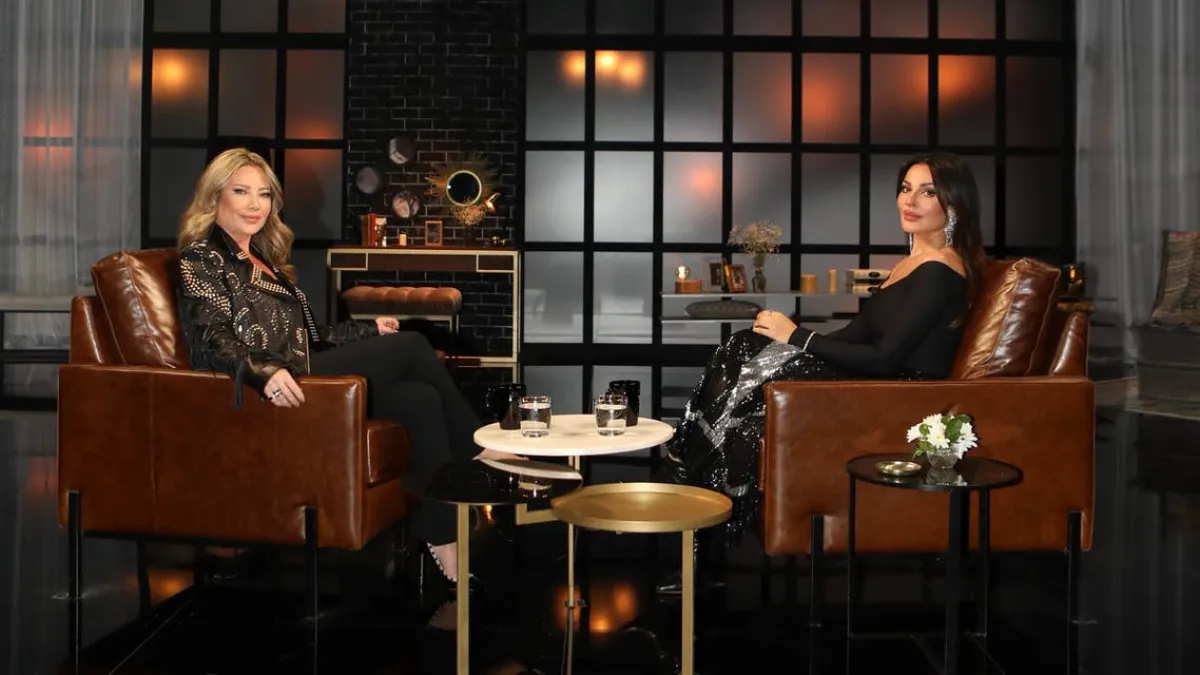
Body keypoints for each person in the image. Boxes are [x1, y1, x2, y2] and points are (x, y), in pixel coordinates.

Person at [174, 148, 508, 589]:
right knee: (412, 345)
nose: (255, 205)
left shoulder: (262, 258)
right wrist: (261, 372)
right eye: (241, 192)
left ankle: (440, 532)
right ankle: (481, 448)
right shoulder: (202, 257)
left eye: (264, 194)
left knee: (420, 398)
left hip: (305, 368)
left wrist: (368, 331)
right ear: (216, 196)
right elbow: (209, 336)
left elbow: (313, 335)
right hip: (283, 384)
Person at [655, 151, 987, 592]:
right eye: (906, 189)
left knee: (746, 369)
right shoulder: (912, 265)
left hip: (893, 394)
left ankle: (688, 463)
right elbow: (854, 335)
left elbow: (885, 359)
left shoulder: (940, 272)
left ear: (955, 204)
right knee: (745, 348)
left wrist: (796, 337)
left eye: (928, 192)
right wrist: (788, 338)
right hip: (870, 380)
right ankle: (696, 499)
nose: (910, 201)